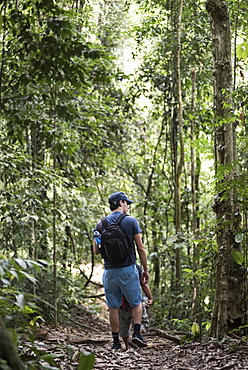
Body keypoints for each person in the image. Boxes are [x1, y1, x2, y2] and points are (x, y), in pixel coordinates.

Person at [93, 191, 150, 350]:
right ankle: (137, 334)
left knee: (113, 307)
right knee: (136, 302)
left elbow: (96, 252)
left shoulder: (100, 224)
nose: (128, 206)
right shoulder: (131, 221)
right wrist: (145, 270)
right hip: (128, 269)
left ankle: (116, 342)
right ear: (120, 203)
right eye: (127, 203)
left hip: (109, 272)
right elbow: (140, 247)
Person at [119, 264, 153, 350]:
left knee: (123, 327)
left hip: (121, 304)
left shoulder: (113, 268)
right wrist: (150, 298)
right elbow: (144, 284)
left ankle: (128, 346)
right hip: (136, 303)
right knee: (143, 322)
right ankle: (135, 335)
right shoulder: (135, 268)